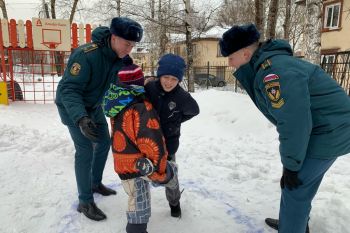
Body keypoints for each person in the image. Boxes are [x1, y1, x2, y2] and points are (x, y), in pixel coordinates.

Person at [219, 23, 350, 233]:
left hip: (330, 131)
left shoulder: (274, 72)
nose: (229, 63)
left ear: (245, 54)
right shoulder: (270, 65)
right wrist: (291, 163)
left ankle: (293, 226)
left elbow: (294, 122)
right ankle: (295, 223)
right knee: (297, 184)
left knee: (295, 187)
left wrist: (291, 164)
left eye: (230, 57)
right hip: (326, 127)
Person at [55, 17, 143, 221]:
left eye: (133, 45)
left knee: (104, 142)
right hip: (72, 107)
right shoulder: (86, 55)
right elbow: (69, 89)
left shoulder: (119, 57)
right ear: (113, 38)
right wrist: (81, 119)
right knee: (85, 149)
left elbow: (117, 82)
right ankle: (85, 201)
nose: (129, 48)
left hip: (94, 106)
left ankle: (94, 183)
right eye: (126, 43)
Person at [103, 60, 178, 233]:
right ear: (139, 83)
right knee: (140, 206)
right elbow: (151, 140)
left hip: (122, 163)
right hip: (141, 165)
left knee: (134, 199)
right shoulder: (141, 108)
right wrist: (161, 172)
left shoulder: (116, 102)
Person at [144, 53, 200, 217]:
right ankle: (141, 205)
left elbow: (194, 111)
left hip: (168, 146)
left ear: (179, 80)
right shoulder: (150, 88)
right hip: (146, 141)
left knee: (170, 176)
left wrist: (176, 120)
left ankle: (174, 204)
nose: (169, 82)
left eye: (174, 79)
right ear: (160, 75)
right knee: (143, 172)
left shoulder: (182, 97)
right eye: (166, 77)